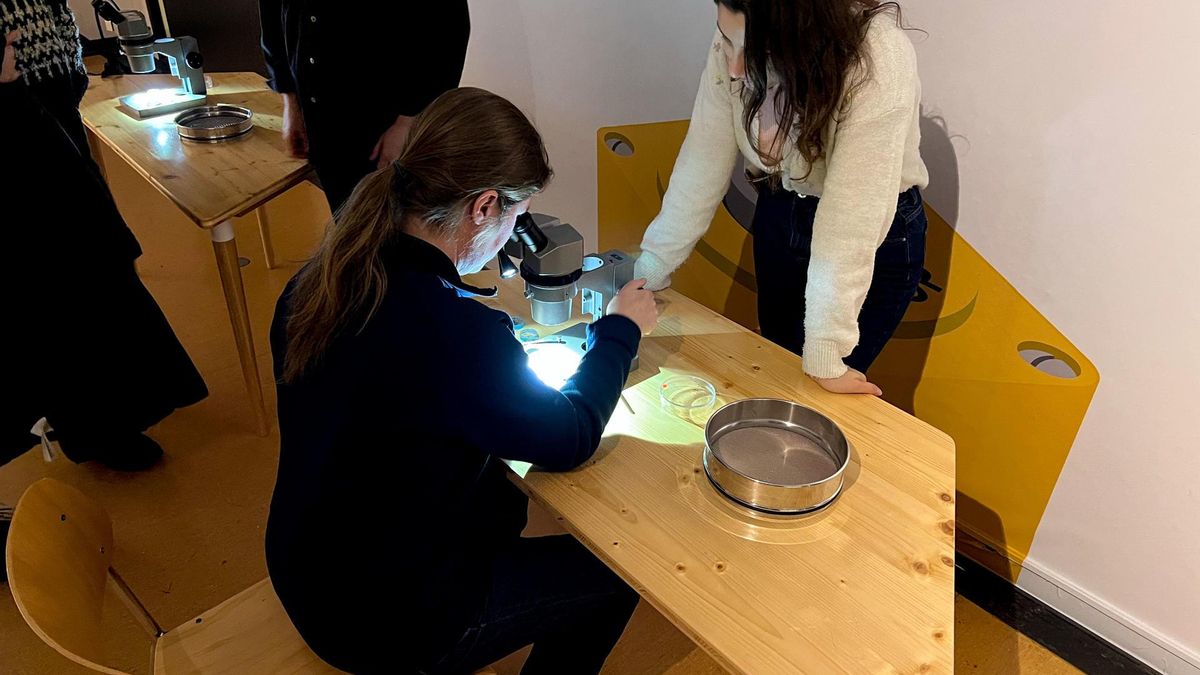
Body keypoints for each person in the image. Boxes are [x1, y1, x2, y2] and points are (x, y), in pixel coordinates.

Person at [266, 87, 658, 674]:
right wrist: (619, 330)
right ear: (484, 206)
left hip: (308, 565)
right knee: (618, 576)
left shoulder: (323, 280)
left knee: (501, 500)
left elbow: (402, 391)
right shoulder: (454, 332)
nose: (512, 234)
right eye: (517, 217)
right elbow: (571, 435)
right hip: (379, 619)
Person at [635, 0, 929, 396]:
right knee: (775, 370)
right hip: (782, 206)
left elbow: (851, 219)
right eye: (726, 42)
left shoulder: (879, 56)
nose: (736, 67)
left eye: (756, 54)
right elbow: (702, 159)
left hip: (874, 235)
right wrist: (652, 266)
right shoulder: (739, 35)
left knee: (816, 391)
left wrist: (826, 349)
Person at [1, 3, 207, 471]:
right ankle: (96, 428)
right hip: (16, 121)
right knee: (64, 283)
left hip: (48, 106)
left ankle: (122, 407)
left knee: (101, 262)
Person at [259, 0, 471, 213]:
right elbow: (273, 18)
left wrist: (408, 122)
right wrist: (291, 103)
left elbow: (450, 32)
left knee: (396, 228)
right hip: (319, 119)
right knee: (349, 224)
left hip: (388, 127)